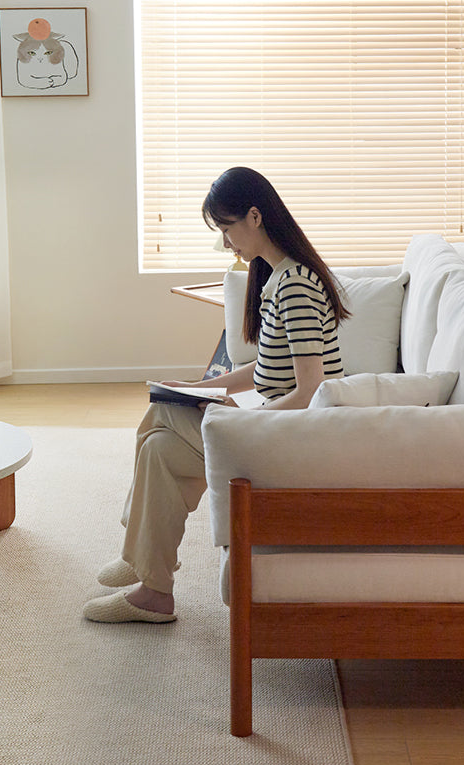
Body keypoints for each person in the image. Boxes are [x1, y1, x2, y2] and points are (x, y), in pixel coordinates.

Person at [83, 166, 350, 623]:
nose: (227, 243)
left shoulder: (296, 285)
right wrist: (198, 388)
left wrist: (242, 419)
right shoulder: (278, 277)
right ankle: (155, 592)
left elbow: (311, 390)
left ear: (255, 216)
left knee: (162, 414)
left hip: (292, 440)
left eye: (227, 229)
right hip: (277, 429)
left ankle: (135, 553)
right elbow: (266, 370)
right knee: (161, 449)